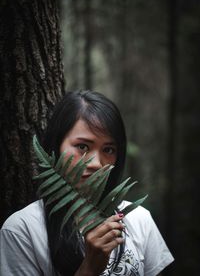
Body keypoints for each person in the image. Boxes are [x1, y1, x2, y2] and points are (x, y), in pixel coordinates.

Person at [0, 90, 174, 276]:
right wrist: (90, 268)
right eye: (82, 147)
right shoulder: (22, 230)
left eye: (108, 149)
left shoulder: (139, 219)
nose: (96, 163)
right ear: (56, 147)